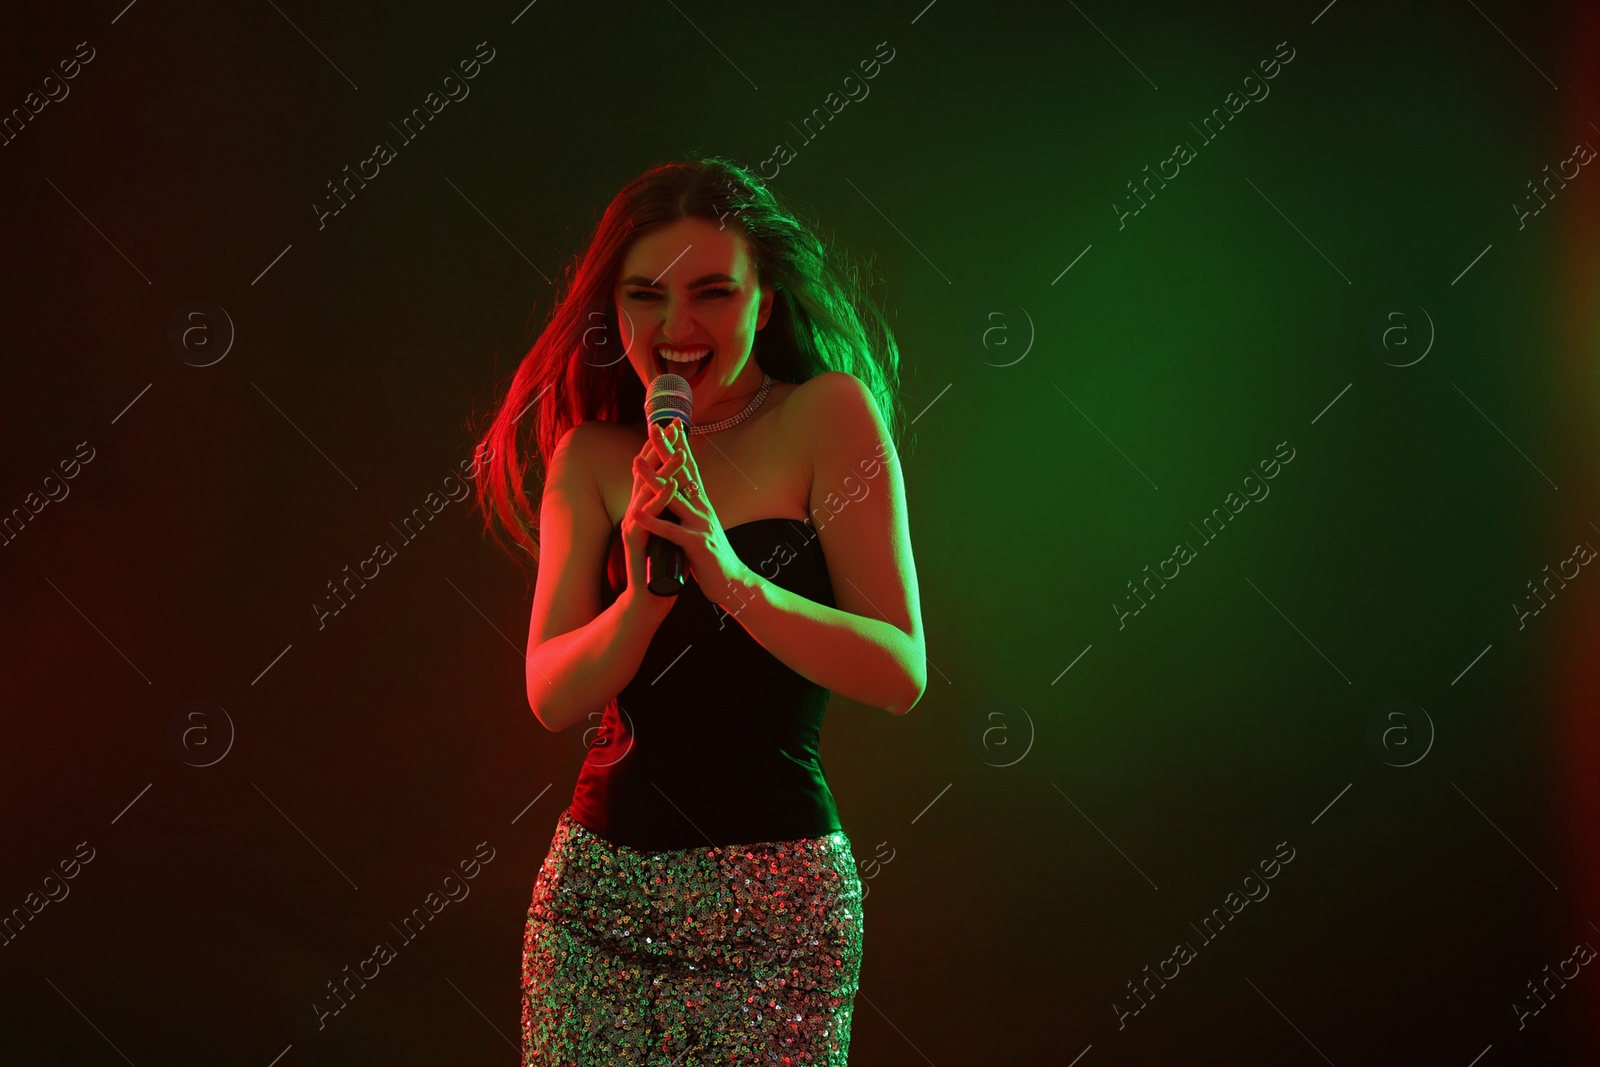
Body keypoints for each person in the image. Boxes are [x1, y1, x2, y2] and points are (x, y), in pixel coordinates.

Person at [471, 156, 925, 1065]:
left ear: (765, 299)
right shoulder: (593, 458)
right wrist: (643, 599)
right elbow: (553, 692)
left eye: (714, 292)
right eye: (646, 296)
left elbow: (899, 670)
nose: (676, 328)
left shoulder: (826, 417)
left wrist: (731, 575)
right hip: (595, 908)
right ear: (616, 310)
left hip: (778, 906)